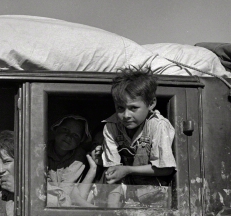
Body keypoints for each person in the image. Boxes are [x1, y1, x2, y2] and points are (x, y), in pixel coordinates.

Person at [101, 67, 176, 207]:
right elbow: (114, 172)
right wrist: (112, 212)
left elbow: (166, 168)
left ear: (151, 103)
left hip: (156, 201)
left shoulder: (158, 125)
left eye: (133, 108)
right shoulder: (111, 127)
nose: (126, 115)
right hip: (126, 200)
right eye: (120, 108)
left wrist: (128, 169)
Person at [46, 114, 95, 207]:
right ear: (56, 129)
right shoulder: (41, 151)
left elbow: (66, 189)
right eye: (65, 130)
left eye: (75, 135)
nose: (68, 137)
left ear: (81, 140)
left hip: (64, 202)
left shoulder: (79, 157)